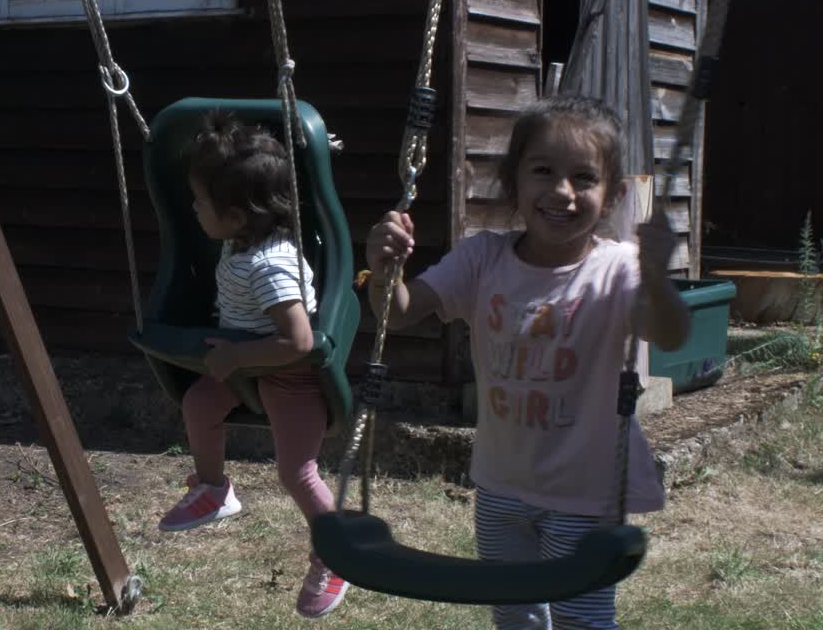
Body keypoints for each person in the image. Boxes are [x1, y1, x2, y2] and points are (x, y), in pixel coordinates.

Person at [364, 95, 690, 629]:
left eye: (584, 178)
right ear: (514, 181)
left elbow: (671, 334)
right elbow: (396, 314)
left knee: (580, 618)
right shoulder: (482, 258)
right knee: (513, 614)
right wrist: (383, 272)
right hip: (499, 483)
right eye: (544, 171)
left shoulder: (617, 269)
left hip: (584, 491)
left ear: (612, 195)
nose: (562, 191)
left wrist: (657, 277)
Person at [158, 111, 348, 619]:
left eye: (200, 202)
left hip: (290, 373)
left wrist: (239, 355)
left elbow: (299, 341)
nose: (195, 209)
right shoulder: (240, 240)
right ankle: (214, 489)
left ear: (238, 217)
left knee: (297, 472)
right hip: (245, 360)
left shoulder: (269, 266)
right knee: (198, 404)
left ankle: (335, 555)